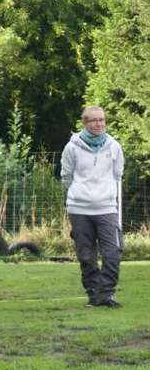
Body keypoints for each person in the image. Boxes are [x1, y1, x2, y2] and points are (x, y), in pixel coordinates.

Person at [60, 105, 125, 308]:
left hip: (106, 207)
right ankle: (94, 294)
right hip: (79, 209)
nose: (99, 124)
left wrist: (110, 199)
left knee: (112, 252)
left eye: (102, 120)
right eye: (94, 120)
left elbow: (117, 176)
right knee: (86, 255)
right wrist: (76, 195)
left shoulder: (114, 147)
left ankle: (106, 294)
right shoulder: (72, 147)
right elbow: (66, 176)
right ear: (85, 123)